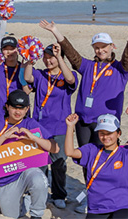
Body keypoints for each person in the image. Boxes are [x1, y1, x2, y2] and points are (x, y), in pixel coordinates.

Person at [41, 20, 128, 213]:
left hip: (106, 127)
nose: (100, 51)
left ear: (112, 47)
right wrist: (56, 31)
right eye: (97, 48)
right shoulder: (88, 66)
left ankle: (106, 198)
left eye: (104, 47)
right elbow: (72, 55)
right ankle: (90, 197)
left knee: (105, 163)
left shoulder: (121, 70)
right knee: (87, 162)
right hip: (83, 123)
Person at [0, 90, 59, 219]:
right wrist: (4, 136)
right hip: (6, 180)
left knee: (40, 180)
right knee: (11, 215)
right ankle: (26, 201)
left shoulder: (30, 123)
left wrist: (34, 138)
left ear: (27, 109)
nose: (18, 112)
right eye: (14, 108)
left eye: (22, 108)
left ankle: (36, 215)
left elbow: (55, 148)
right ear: (7, 107)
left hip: (26, 173)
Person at [22, 43, 77, 209]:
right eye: (45, 58)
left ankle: (59, 195)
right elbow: (28, 78)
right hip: (40, 126)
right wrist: (30, 60)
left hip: (60, 127)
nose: (48, 61)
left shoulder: (67, 75)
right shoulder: (40, 74)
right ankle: (39, 194)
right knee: (39, 163)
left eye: (51, 57)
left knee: (59, 164)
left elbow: (71, 80)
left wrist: (60, 58)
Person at [64, 113, 128, 218]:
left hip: (123, 206)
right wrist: (70, 126)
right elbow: (69, 152)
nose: (105, 137)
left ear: (118, 133)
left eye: (109, 133)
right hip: (97, 206)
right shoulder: (92, 149)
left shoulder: (126, 153)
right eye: (102, 133)